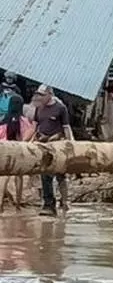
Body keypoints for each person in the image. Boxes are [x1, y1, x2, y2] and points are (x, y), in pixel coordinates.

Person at [33, 85, 73, 216]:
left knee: (61, 175)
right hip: (43, 146)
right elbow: (34, 127)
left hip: (57, 146)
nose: (40, 97)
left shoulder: (61, 108)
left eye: (42, 95)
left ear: (50, 94)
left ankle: (65, 202)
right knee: (45, 175)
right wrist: (26, 143)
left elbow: (66, 128)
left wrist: (70, 145)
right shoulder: (38, 108)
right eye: (38, 95)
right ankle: (49, 205)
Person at [0, 73, 27, 209]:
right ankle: (17, 202)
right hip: (20, 151)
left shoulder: (4, 123)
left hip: (6, 150)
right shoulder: (25, 122)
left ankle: (1, 202)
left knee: (4, 176)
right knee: (18, 176)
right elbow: (28, 137)